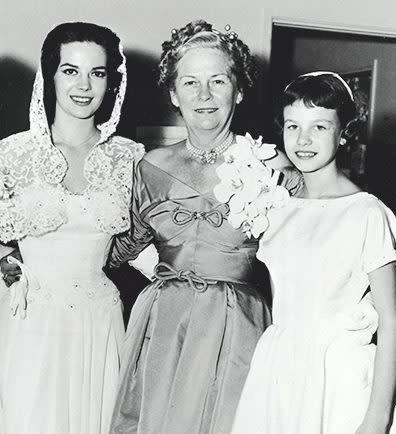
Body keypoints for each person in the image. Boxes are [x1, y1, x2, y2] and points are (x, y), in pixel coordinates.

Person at [106, 20, 299, 434]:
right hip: (163, 325)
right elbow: (119, 249)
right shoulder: (150, 167)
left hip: (238, 327)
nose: (205, 95)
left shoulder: (274, 168)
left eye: (218, 81)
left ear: (239, 89)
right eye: (190, 83)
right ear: (174, 93)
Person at [0, 22, 144, 434]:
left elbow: (146, 244)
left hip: (100, 325)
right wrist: (4, 260)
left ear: (110, 82)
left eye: (97, 73)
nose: (84, 85)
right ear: (49, 76)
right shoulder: (8, 155)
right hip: (31, 324)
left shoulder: (131, 158)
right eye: (70, 71)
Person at [230, 72, 396, 433]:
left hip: (339, 377)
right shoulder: (277, 208)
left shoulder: (366, 213)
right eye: (293, 126)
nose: (303, 139)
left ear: (344, 134)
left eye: (320, 127)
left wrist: (377, 416)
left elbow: (390, 321)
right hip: (280, 372)